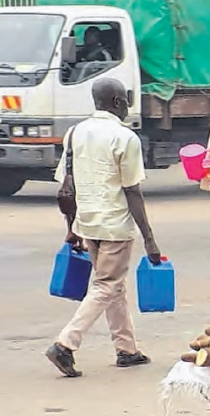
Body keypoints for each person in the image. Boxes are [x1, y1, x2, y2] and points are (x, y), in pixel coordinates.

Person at [46, 78, 159, 378]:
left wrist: (71, 228)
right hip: (114, 226)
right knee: (106, 286)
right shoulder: (125, 138)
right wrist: (150, 239)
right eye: (126, 100)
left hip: (88, 224)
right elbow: (132, 191)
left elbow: (65, 188)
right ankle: (65, 344)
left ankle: (127, 349)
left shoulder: (74, 133)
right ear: (119, 102)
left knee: (114, 286)